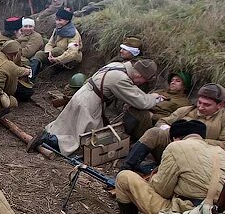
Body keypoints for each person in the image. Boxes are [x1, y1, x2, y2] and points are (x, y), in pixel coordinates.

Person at [109, 119, 225, 214]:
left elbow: (161, 190)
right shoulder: (219, 152)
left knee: (124, 177)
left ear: (175, 138)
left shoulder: (176, 147)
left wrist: (153, 178)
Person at [27, 59, 161, 156]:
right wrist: (155, 97)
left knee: (67, 127)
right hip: (90, 104)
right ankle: (48, 140)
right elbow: (142, 102)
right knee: (83, 141)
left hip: (83, 94)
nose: (142, 84)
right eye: (144, 80)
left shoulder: (116, 65)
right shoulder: (120, 78)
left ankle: (49, 135)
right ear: (139, 75)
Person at [123, 82, 225, 173]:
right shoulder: (185, 111)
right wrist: (171, 131)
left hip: (197, 161)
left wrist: (196, 141)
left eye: (207, 105)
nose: (201, 107)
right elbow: (162, 122)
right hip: (172, 150)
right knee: (154, 132)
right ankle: (127, 167)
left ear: (220, 105)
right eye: (199, 102)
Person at [123, 70, 192, 141]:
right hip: (143, 112)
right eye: (172, 80)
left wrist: (153, 116)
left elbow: (174, 119)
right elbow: (144, 99)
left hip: (154, 123)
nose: (173, 82)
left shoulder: (183, 102)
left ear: (184, 86)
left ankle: (134, 140)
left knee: (139, 112)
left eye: (177, 81)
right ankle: (125, 137)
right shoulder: (160, 91)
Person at [29, 7, 82, 76]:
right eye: (56, 20)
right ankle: (31, 76)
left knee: (56, 50)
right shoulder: (57, 30)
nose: (57, 22)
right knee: (39, 54)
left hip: (70, 61)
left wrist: (57, 59)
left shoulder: (73, 34)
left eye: (60, 20)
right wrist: (49, 52)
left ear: (67, 21)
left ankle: (56, 71)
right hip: (55, 57)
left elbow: (72, 53)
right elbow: (50, 43)